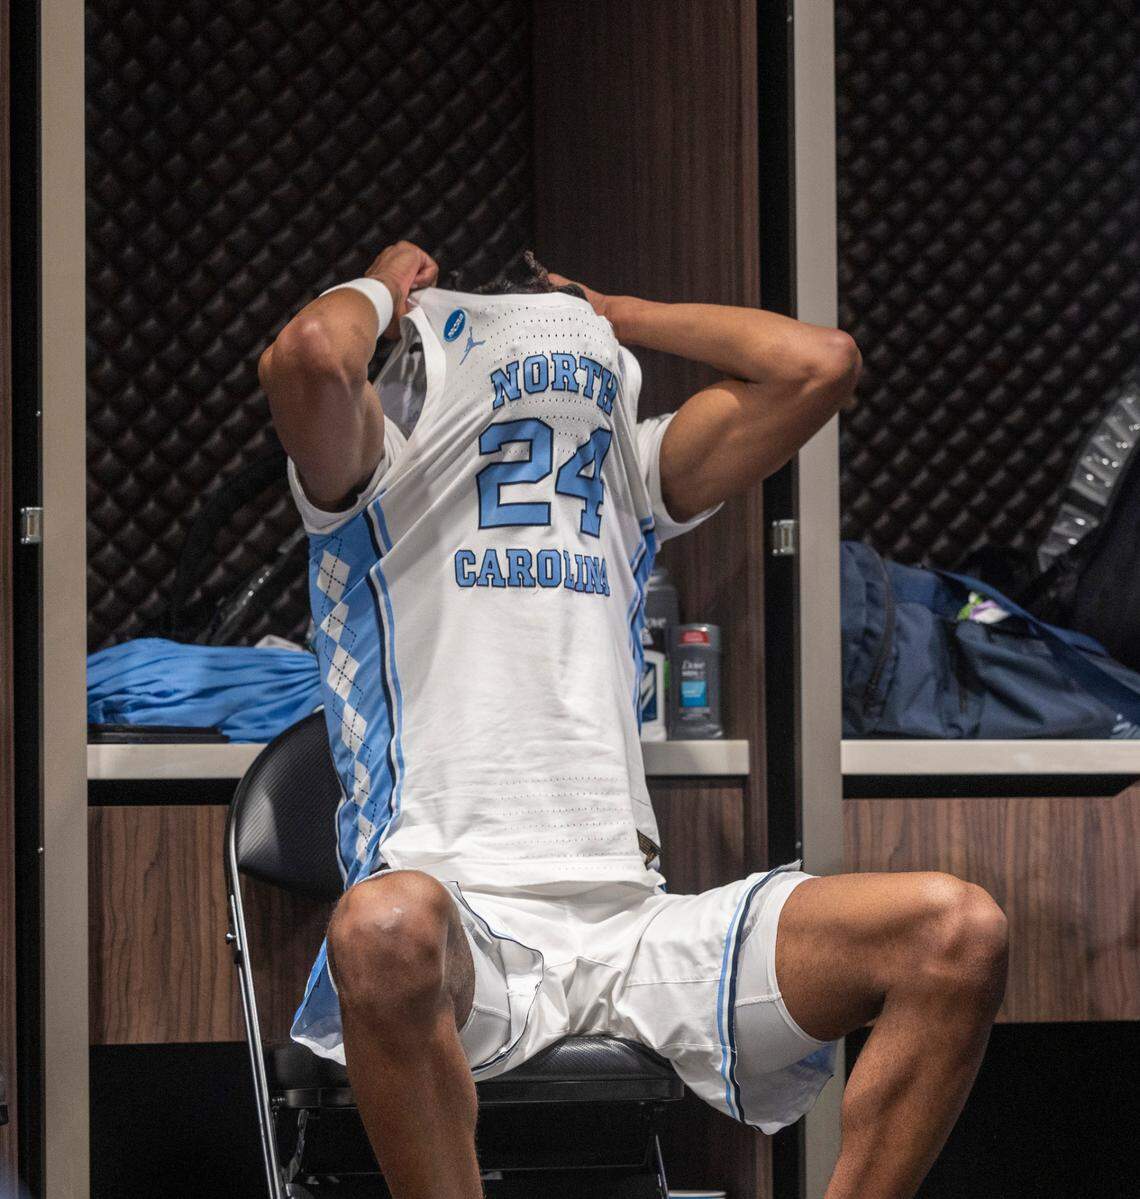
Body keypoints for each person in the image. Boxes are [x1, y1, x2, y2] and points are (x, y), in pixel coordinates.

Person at [258, 240, 1008, 1199]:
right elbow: (312, 354)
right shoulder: (371, 468)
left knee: (957, 929)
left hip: (633, 926)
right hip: (464, 935)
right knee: (379, 924)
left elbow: (819, 363)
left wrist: (618, 309)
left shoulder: (632, 481)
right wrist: (384, 279)